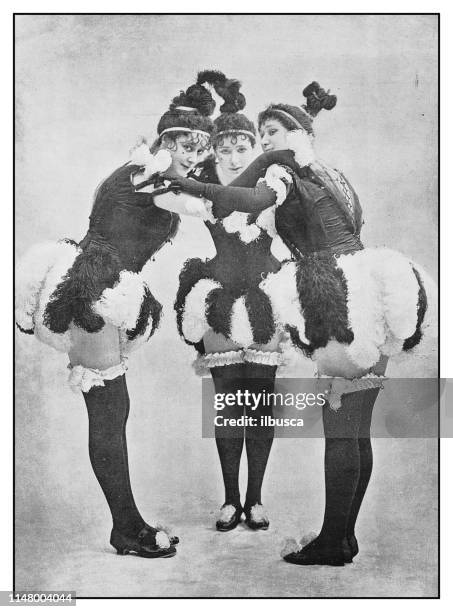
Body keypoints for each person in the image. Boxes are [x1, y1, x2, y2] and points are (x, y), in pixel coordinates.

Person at [162, 81, 437, 565]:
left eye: (270, 132)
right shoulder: (328, 172)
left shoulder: (284, 166)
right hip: (371, 289)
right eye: (262, 133)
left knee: (340, 427)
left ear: (294, 132)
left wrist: (187, 184)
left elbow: (245, 202)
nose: (265, 141)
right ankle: (344, 537)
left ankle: (332, 542)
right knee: (356, 426)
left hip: (338, 294)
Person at [15, 73, 221, 558]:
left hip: (108, 284)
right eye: (184, 145)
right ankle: (126, 529)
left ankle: (126, 523)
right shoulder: (149, 172)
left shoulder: (154, 171)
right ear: (163, 141)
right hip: (94, 287)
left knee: (113, 413)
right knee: (108, 415)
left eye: (200, 148)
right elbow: (204, 206)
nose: (192, 156)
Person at [172, 72, 283, 531]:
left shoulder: (273, 185)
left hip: (266, 302)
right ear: (214, 151)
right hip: (217, 300)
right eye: (225, 149)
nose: (233, 157)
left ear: (255, 149)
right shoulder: (203, 182)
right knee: (226, 403)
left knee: (259, 403)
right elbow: (171, 171)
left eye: (242, 148)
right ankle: (230, 499)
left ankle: (256, 499)